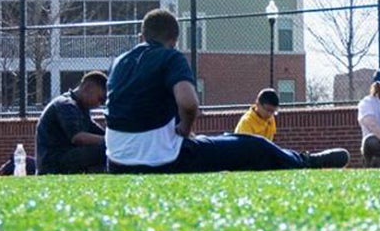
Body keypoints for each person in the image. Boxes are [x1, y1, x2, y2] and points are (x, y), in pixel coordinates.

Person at [105, 9, 347, 173]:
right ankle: (306, 161)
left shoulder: (119, 62)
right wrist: (185, 130)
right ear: (174, 41)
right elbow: (189, 104)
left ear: (141, 36)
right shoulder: (170, 57)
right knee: (252, 145)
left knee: (209, 140)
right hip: (162, 159)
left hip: (116, 161)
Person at [35, 70, 109, 175]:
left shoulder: (81, 108)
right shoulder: (65, 104)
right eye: (100, 99)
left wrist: (114, 138)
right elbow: (78, 138)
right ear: (88, 88)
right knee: (104, 149)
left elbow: (97, 132)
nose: (99, 105)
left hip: (64, 159)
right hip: (52, 165)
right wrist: (109, 142)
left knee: (107, 147)